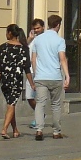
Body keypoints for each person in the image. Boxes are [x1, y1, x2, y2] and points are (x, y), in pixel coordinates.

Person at [31, 13, 70, 141]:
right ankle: (56, 131)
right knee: (56, 105)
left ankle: (39, 130)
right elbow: (62, 59)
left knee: (40, 104)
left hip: (40, 77)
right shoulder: (60, 40)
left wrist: (37, 73)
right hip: (55, 77)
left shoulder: (38, 39)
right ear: (58, 25)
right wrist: (67, 76)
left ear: (48, 24)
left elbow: (33, 59)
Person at [0, 24, 34, 139]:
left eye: (7, 32)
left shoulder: (2, 48)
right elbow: (27, 68)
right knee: (12, 104)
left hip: (4, 80)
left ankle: (15, 130)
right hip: (16, 80)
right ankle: (4, 129)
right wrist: (31, 83)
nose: (6, 34)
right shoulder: (24, 49)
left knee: (11, 104)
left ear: (10, 33)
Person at [24, 18, 44, 130]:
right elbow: (24, 48)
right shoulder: (32, 39)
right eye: (34, 28)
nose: (36, 30)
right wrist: (29, 39)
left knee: (38, 97)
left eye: (38, 28)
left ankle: (38, 119)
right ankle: (41, 115)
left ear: (43, 28)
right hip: (29, 72)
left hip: (39, 72)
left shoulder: (44, 39)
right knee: (29, 97)